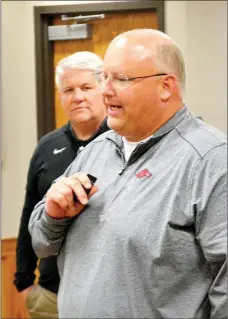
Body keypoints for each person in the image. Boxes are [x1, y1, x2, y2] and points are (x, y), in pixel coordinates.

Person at [29, 29, 227, 318]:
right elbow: (41, 242)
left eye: (121, 79)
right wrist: (53, 215)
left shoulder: (210, 160)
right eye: (104, 77)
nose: (106, 90)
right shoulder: (97, 150)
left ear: (166, 87)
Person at [14, 51, 109, 318]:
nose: (77, 96)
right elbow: (29, 211)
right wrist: (23, 281)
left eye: (86, 87)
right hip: (51, 294)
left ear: (104, 89)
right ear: (60, 97)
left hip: (107, 294)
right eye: (68, 89)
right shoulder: (47, 146)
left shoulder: (123, 143)